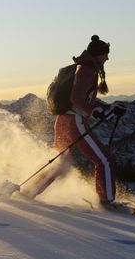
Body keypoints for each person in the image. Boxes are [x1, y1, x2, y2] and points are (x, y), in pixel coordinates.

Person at [21, 35, 128, 208]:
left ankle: (28, 192)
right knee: (104, 158)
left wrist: (109, 108)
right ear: (98, 54)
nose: (107, 58)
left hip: (63, 120)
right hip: (74, 122)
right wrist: (95, 112)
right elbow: (77, 98)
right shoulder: (87, 71)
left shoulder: (82, 68)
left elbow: (84, 99)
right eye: (105, 54)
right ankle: (107, 201)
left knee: (59, 163)